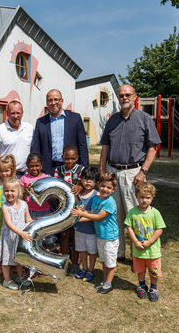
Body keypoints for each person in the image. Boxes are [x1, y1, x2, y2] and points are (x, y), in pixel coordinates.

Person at [99, 84, 161, 262]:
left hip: (134, 173)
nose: (124, 98)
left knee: (135, 215)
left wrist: (143, 171)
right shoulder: (112, 120)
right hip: (112, 173)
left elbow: (152, 148)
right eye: (121, 95)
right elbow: (105, 147)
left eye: (128, 95)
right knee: (114, 214)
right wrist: (103, 171)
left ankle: (138, 255)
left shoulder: (144, 118)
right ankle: (119, 253)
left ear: (135, 97)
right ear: (118, 98)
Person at [71, 173, 119, 294]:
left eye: (109, 188)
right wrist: (81, 212)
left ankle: (108, 284)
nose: (105, 189)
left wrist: (82, 214)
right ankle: (105, 280)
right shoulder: (96, 199)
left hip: (110, 237)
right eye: (103, 186)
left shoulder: (110, 202)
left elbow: (98, 217)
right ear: (98, 185)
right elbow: (91, 213)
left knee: (110, 262)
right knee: (103, 260)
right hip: (100, 236)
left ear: (114, 189)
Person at [124, 181, 166, 302]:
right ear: (136, 196)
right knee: (140, 269)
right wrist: (136, 242)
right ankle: (141, 285)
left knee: (153, 270)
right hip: (138, 250)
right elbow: (129, 227)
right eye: (142, 197)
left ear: (152, 197)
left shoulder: (155, 213)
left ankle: (154, 288)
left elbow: (159, 229)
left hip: (152, 250)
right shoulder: (132, 212)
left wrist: (149, 242)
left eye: (148, 198)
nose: (144, 200)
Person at [32, 89, 89, 175]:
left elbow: (82, 146)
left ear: (61, 101)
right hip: (48, 168)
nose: (53, 102)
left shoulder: (75, 119)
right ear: (47, 103)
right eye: (50, 100)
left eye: (56, 99)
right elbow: (36, 148)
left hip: (72, 168)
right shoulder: (41, 122)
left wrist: (84, 169)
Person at [0, 177, 33, 290]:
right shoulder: (5, 207)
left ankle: (20, 276)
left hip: (20, 237)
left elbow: (28, 220)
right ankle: (7, 279)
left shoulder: (24, 204)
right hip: (9, 237)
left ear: (19, 192)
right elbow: (9, 224)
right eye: (6, 191)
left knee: (19, 258)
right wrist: (21, 233)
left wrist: (35, 226)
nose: (9, 193)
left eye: (12, 191)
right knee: (7, 259)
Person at [54, 144, 84, 276]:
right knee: (65, 234)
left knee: (75, 235)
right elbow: (55, 187)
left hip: (77, 208)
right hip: (63, 208)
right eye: (67, 158)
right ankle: (64, 261)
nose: (69, 161)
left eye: (72, 158)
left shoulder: (81, 170)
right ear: (62, 157)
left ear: (77, 158)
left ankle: (75, 263)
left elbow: (85, 184)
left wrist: (80, 188)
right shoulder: (58, 170)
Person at [0, 99, 33, 178]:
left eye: (18, 113)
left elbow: (32, 149)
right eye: (12, 113)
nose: (15, 116)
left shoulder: (29, 128)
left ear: (22, 113)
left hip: (26, 174)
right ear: (7, 113)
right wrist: (0, 173)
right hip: (7, 174)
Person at [74, 167, 100, 282]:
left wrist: (78, 218)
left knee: (92, 252)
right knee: (82, 250)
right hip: (78, 230)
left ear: (96, 182)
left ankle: (91, 270)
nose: (88, 182)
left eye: (92, 179)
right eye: (85, 179)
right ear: (81, 179)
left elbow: (95, 214)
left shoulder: (97, 195)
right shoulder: (78, 193)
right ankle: (84, 268)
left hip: (91, 231)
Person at [20, 152, 50, 219]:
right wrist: (27, 190)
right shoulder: (23, 178)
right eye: (31, 166)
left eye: (37, 166)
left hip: (44, 210)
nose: (34, 169)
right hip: (28, 210)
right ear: (27, 165)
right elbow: (21, 198)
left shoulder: (46, 178)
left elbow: (51, 199)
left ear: (41, 164)